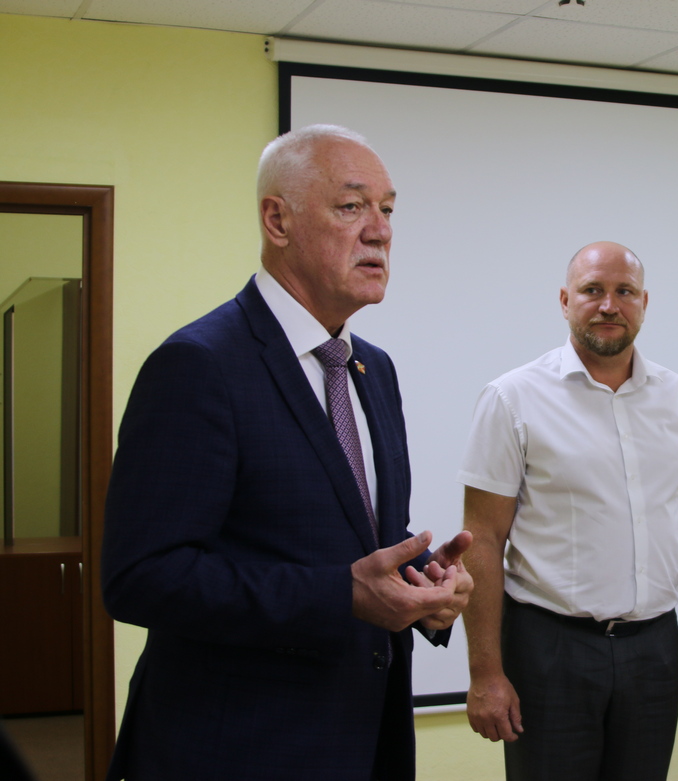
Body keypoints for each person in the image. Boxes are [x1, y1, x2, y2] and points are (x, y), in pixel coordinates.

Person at [101, 125, 473, 781]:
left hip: (363, 743)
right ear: (278, 220)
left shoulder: (372, 369)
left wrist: (423, 583)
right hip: (238, 751)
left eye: (388, 209)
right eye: (351, 206)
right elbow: (141, 576)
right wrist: (339, 595)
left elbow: (355, 537)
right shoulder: (199, 364)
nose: (380, 232)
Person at [458, 241, 678, 781]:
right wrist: (485, 672)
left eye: (624, 291)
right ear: (565, 300)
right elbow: (482, 539)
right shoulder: (512, 398)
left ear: (644, 303)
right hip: (549, 651)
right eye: (592, 290)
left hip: (655, 650)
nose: (609, 305)